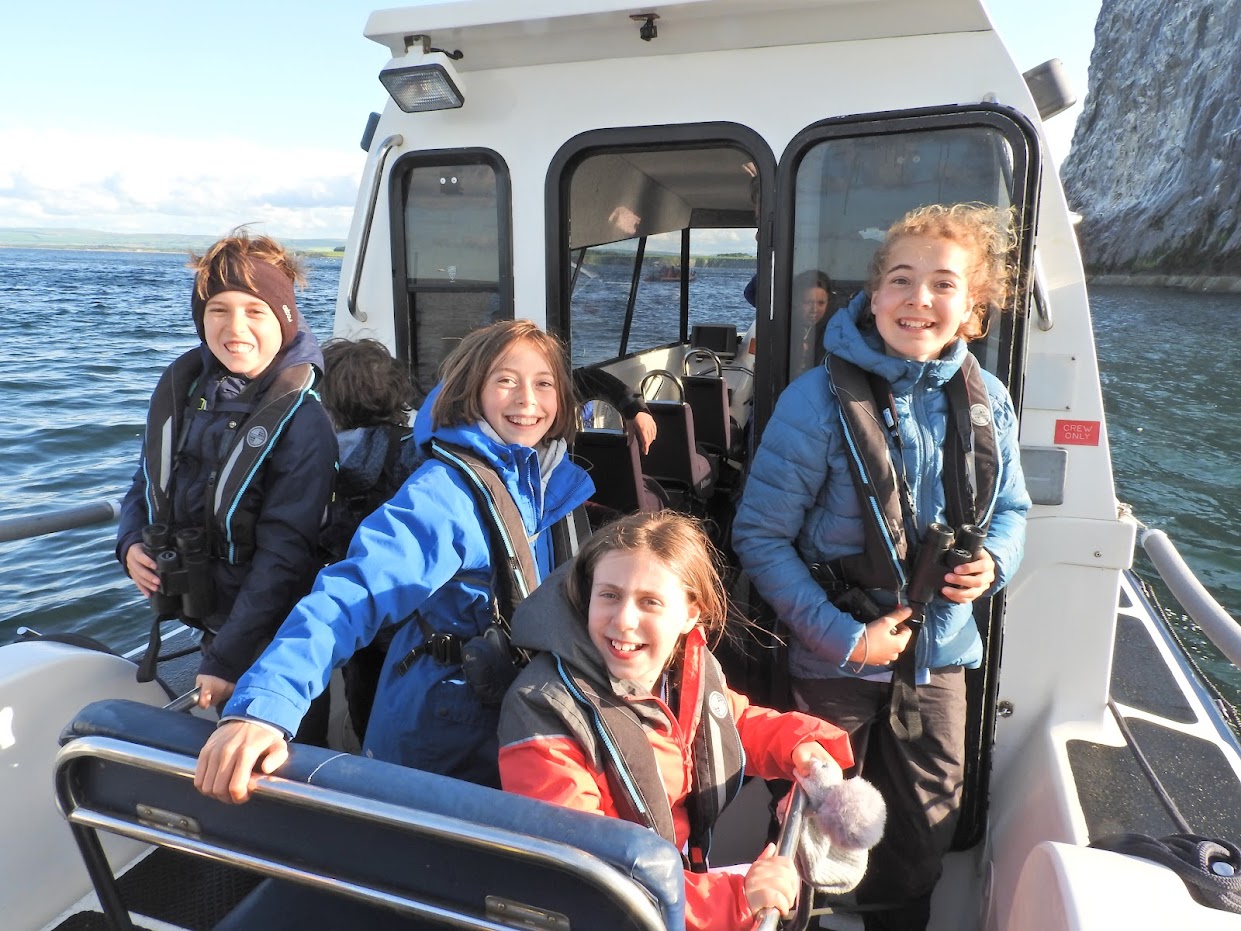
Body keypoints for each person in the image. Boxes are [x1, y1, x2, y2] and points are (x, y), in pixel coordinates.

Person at [732, 203, 1031, 930]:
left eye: (942, 284)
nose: (918, 300)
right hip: (833, 660)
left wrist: (991, 561)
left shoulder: (989, 401)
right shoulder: (813, 402)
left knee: (923, 833)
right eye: (900, 280)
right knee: (809, 830)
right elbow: (758, 536)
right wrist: (842, 636)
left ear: (971, 308)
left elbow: (1013, 510)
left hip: (939, 661)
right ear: (871, 295)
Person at [193, 319, 594, 802]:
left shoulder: (548, 481)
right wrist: (267, 705)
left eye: (543, 383)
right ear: (470, 391)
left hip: (516, 715)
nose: (527, 399)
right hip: (444, 726)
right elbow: (352, 594)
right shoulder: (444, 495)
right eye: (505, 380)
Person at [498, 511, 856, 930]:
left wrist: (800, 744)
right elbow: (584, 873)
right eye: (609, 595)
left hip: (678, 890)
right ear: (586, 597)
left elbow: (729, 723)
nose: (624, 620)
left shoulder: (684, 669)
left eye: (650, 601)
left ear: (690, 614)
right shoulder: (542, 709)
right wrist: (737, 900)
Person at [116, 229, 337, 729]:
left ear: (283, 319)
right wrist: (129, 540)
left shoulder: (303, 420)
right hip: (211, 619)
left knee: (274, 767)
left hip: (279, 636)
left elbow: (286, 554)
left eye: (254, 311)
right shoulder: (189, 392)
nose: (235, 327)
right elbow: (145, 480)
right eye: (219, 310)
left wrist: (227, 660)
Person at [317, 337, 421, 739]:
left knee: (363, 688)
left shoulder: (320, 456)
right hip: (408, 603)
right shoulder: (415, 451)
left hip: (352, 603)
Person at [791, 269, 833, 371]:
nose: (814, 309)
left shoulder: (832, 332)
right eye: (808, 302)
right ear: (795, 301)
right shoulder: (785, 329)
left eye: (821, 303)